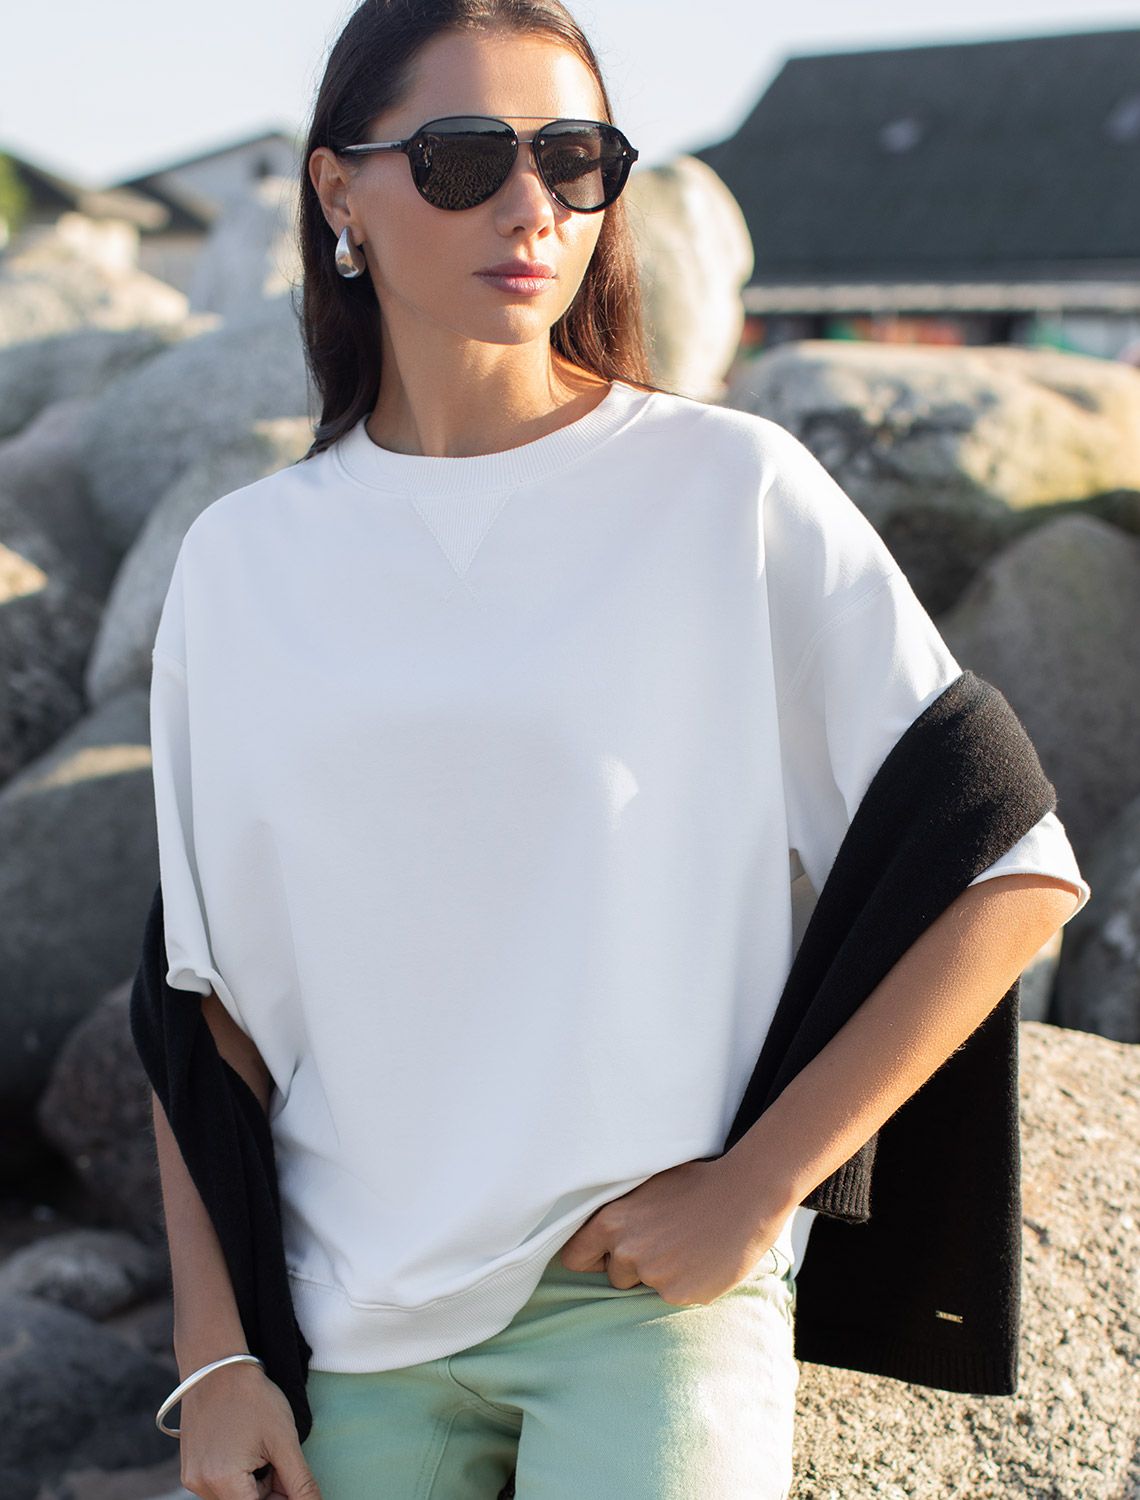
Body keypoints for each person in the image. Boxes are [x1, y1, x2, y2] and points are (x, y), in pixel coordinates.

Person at [144, 2, 1091, 1497]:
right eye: (466, 158)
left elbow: (1009, 863)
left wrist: (760, 1188)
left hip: (642, 1312)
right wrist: (217, 1359)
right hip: (349, 1328)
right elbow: (199, 1008)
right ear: (339, 193)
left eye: (575, 159)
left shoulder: (726, 493)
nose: (533, 206)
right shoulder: (239, 563)